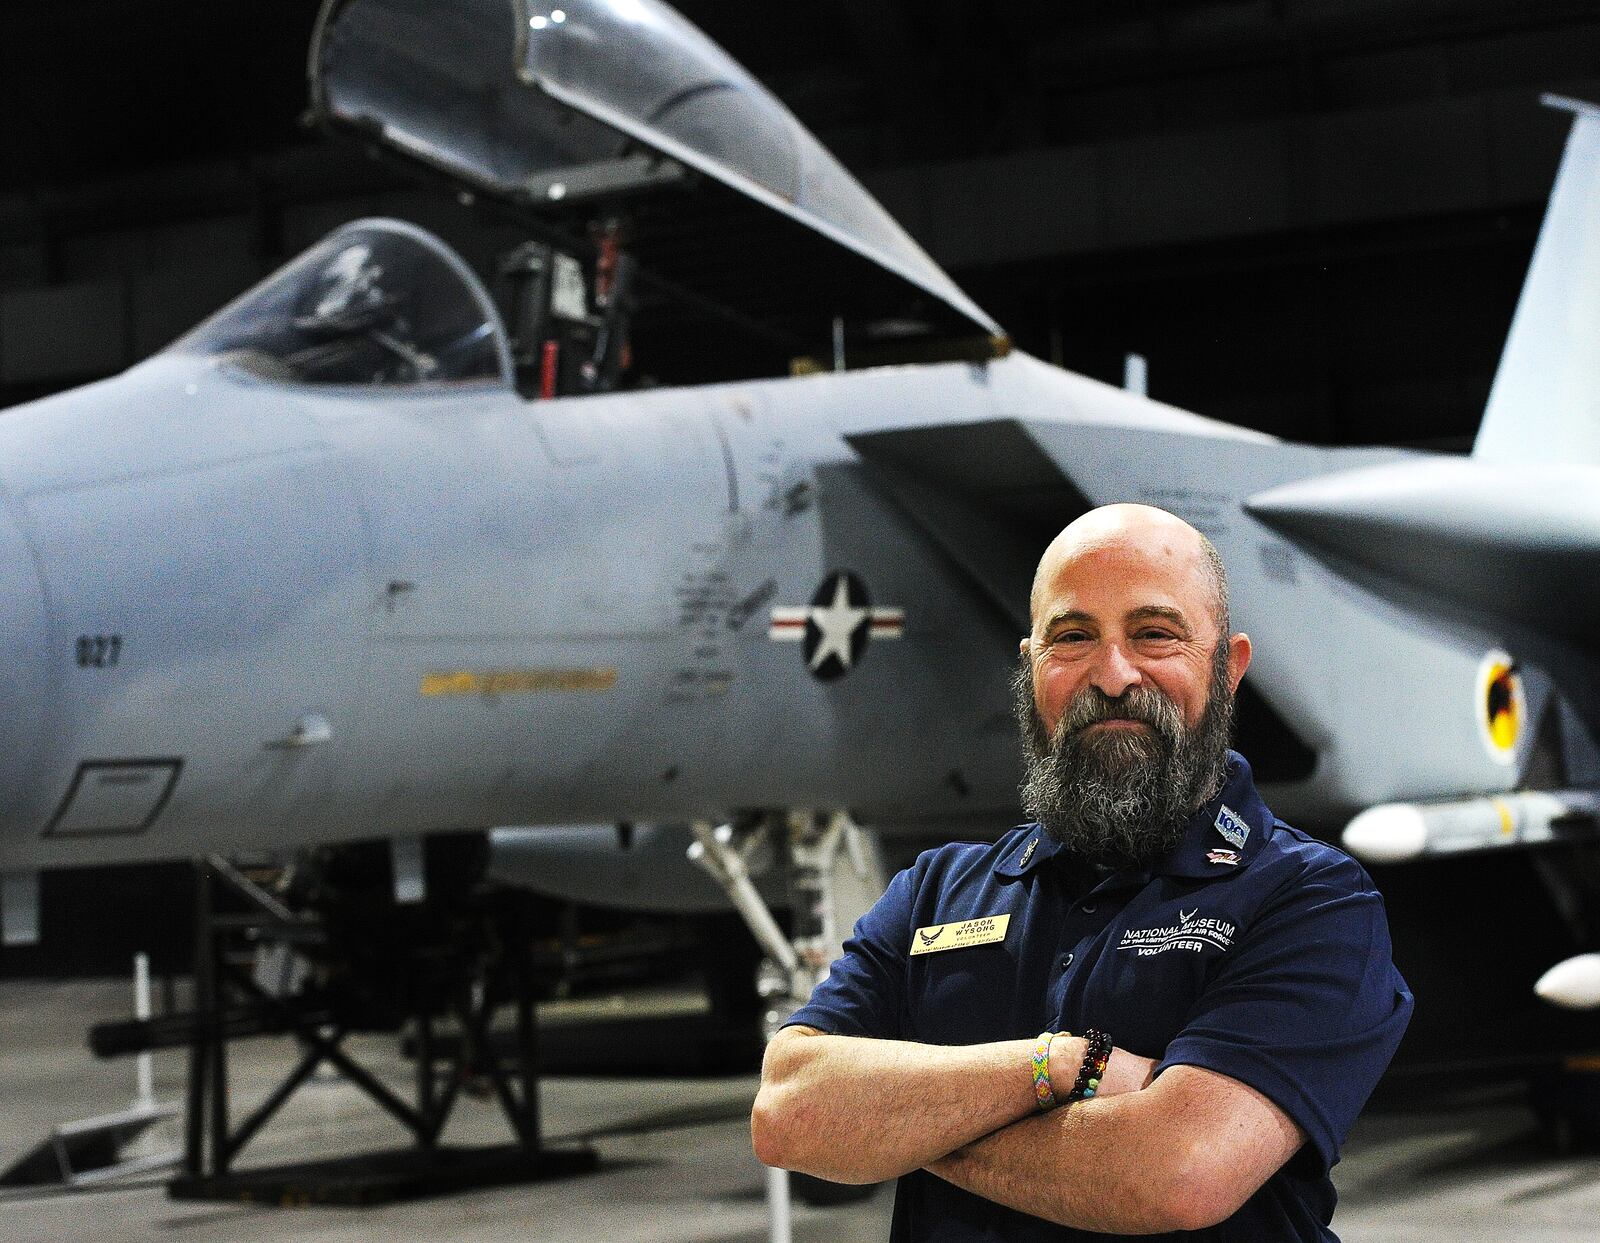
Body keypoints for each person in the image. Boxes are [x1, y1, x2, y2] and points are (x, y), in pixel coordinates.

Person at [750, 503, 1412, 1241]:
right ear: (1033, 667)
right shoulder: (935, 890)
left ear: (1228, 667)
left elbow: (1175, 1173)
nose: (1113, 672)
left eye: (1155, 633)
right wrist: (1063, 1064)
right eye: (1073, 637)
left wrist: (904, 1124)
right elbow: (788, 1114)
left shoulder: (1310, 901)